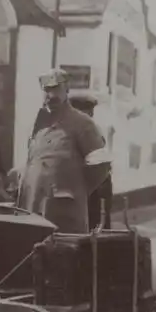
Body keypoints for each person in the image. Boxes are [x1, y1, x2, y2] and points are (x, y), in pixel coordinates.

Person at [17, 69, 106, 233]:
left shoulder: (82, 123)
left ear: (67, 90)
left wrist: (75, 188)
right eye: (47, 90)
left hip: (64, 211)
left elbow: (101, 166)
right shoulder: (38, 125)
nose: (51, 95)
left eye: (56, 89)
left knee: (64, 246)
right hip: (34, 207)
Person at [68, 91, 112, 229]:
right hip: (83, 186)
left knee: (94, 226)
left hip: (93, 188)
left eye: (89, 112)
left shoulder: (91, 131)